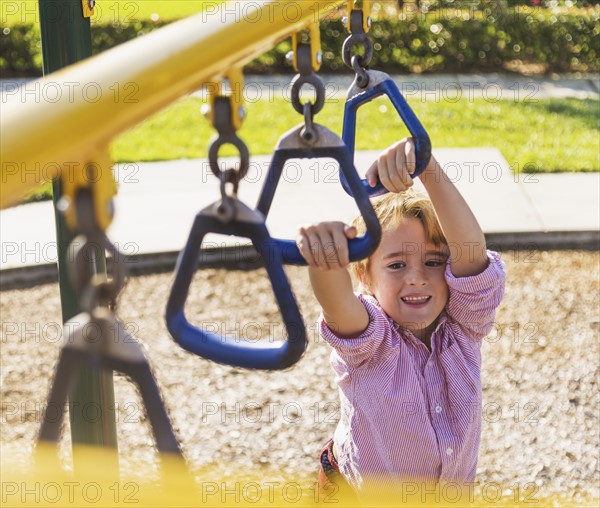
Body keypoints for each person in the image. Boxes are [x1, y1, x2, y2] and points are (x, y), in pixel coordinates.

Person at [297, 138, 506, 499]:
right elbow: (337, 304)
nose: (416, 277)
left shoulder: (464, 325)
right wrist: (325, 259)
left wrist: (427, 166)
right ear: (364, 278)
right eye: (396, 265)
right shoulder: (372, 340)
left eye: (433, 261)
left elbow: (473, 259)